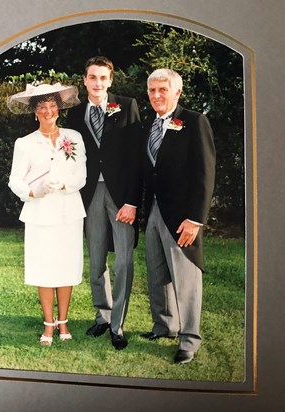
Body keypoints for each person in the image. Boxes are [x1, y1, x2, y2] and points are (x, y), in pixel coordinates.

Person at [65, 56, 142, 350]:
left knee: (123, 260)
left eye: (103, 78)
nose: (98, 83)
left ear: (110, 80)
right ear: (84, 80)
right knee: (96, 259)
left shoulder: (127, 106)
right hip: (89, 195)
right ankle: (102, 315)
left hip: (122, 197)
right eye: (92, 77)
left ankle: (118, 325)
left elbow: (137, 158)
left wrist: (132, 201)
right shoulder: (75, 114)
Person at [140, 68, 216, 364]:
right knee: (157, 274)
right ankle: (165, 326)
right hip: (154, 211)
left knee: (186, 280)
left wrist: (195, 219)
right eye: (152, 91)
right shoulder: (148, 125)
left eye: (162, 90)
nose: (157, 95)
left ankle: (189, 340)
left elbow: (205, 174)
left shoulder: (195, 122)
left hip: (182, 216)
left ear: (177, 92)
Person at [7, 82, 87, 346]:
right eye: (42, 108)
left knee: (65, 266)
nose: (48, 111)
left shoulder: (73, 138)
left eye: (52, 106)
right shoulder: (25, 143)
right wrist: (34, 191)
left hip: (69, 212)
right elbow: (15, 180)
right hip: (40, 214)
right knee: (44, 268)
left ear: (59, 110)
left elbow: (81, 175)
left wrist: (64, 184)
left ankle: (63, 321)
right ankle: (48, 324)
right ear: (35, 113)